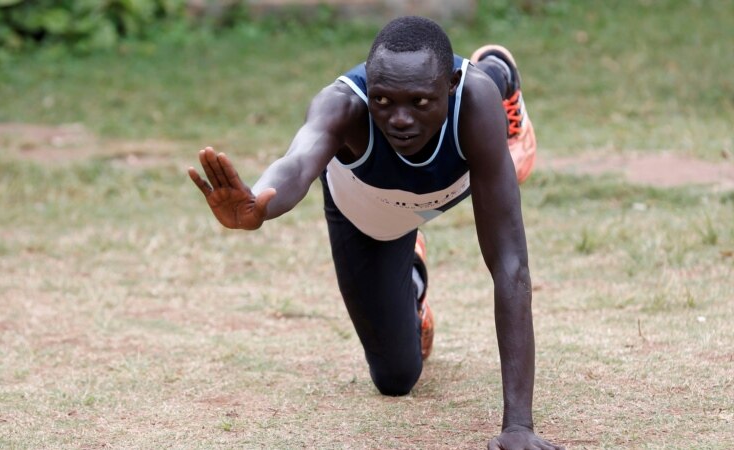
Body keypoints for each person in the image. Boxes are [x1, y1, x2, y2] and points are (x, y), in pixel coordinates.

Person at [188, 16, 562, 450]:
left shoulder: (474, 101)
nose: (399, 119)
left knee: (508, 156)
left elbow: (511, 266)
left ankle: (501, 75)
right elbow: (297, 162)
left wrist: (518, 425)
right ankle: (412, 273)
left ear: (451, 85)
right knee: (396, 378)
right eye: (383, 99)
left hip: (456, 180)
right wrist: (259, 204)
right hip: (370, 218)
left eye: (419, 102)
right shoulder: (342, 105)